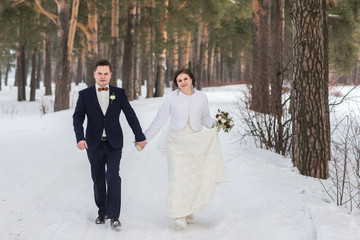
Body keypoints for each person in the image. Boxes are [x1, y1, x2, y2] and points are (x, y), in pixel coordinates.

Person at [144, 69, 227, 230]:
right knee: (178, 178)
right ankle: (179, 215)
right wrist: (144, 139)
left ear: (191, 79)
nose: (183, 83)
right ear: (176, 83)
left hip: (195, 141)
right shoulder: (171, 98)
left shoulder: (201, 97)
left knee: (192, 177)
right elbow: (159, 120)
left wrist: (215, 123)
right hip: (176, 142)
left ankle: (188, 209)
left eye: (185, 79)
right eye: (179, 80)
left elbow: (204, 117)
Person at [73, 59, 147, 229]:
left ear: (111, 74)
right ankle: (102, 212)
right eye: (100, 73)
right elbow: (77, 118)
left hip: (114, 144)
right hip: (93, 143)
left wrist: (139, 136)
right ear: (94, 74)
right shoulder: (85, 95)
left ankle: (114, 215)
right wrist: (80, 138)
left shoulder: (118, 93)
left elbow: (130, 115)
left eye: (106, 73)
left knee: (113, 177)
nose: (103, 76)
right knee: (98, 178)